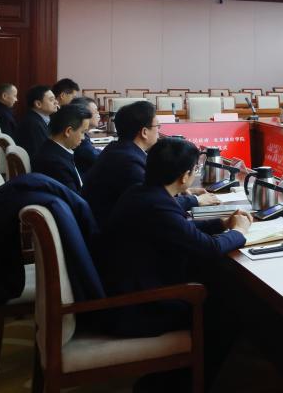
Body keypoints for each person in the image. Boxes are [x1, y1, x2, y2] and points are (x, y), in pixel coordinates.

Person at [93, 136, 251, 383]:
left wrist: (221, 224)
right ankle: (180, 383)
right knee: (228, 312)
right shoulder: (158, 205)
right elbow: (209, 248)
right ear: (185, 176)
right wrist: (239, 231)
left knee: (218, 287)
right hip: (136, 307)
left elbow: (179, 227)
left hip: (126, 287)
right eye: (194, 170)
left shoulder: (141, 192)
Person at [83, 101, 217, 224]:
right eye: (157, 126)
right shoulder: (128, 163)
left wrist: (178, 190)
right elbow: (155, 204)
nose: (159, 130)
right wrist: (196, 200)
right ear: (144, 132)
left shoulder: (118, 149)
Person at [31, 103, 92, 194]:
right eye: (82, 132)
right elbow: (73, 198)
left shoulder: (55, 149)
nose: (83, 138)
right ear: (68, 131)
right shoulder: (55, 163)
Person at [15, 85, 58, 156]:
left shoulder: (36, 119)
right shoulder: (33, 124)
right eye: (51, 100)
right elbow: (44, 154)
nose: (56, 102)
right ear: (38, 104)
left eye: (55, 99)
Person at [69, 97, 102, 177]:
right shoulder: (79, 138)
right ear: (83, 114)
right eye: (95, 112)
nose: (99, 115)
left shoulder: (84, 134)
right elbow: (96, 157)